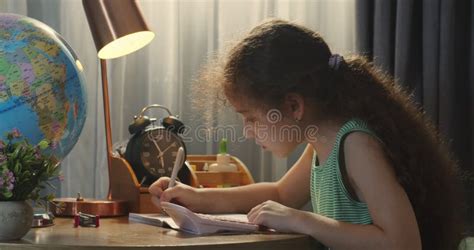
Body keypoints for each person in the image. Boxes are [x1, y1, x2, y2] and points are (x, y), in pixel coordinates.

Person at [149, 19, 464, 250]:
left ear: (293, 105)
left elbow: (403, 243)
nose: (247, 131)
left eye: (252, 118)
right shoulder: (319, 143)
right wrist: (197, 199)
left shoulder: (355, 145)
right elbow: (282, 194)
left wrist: (302, 220)